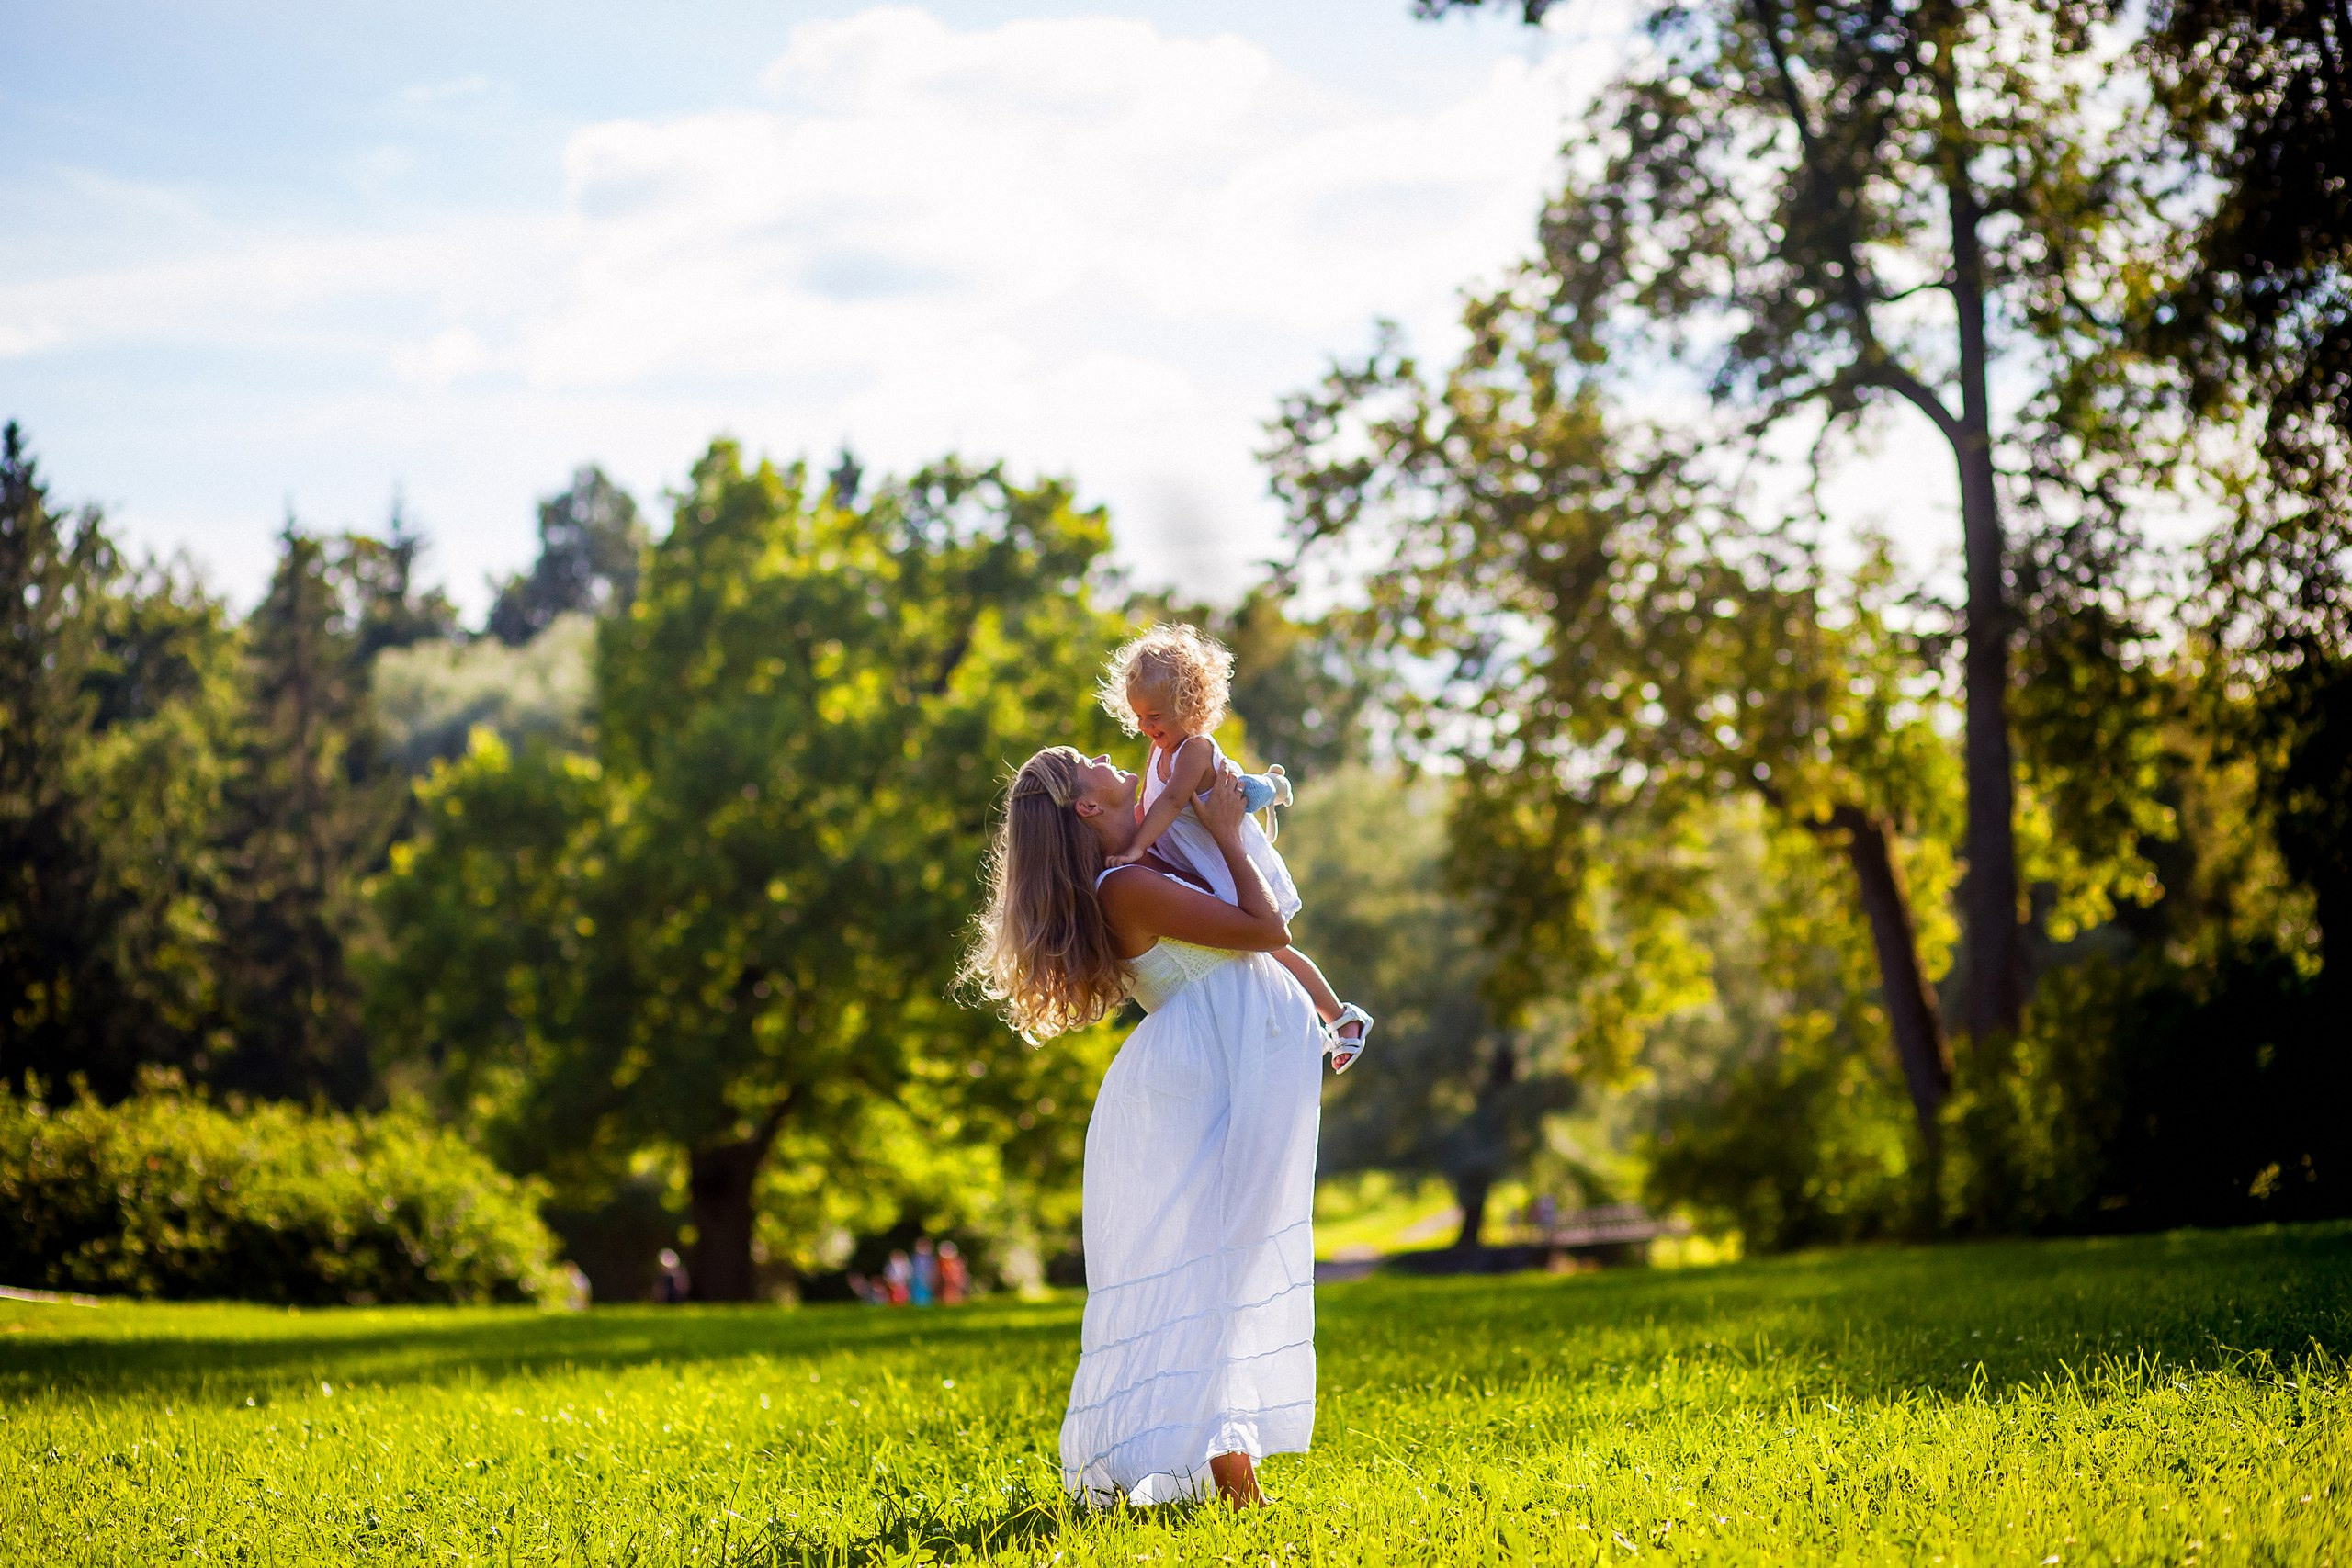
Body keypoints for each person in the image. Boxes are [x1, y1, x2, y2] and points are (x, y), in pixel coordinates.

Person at [962, 745, 1324, 1508]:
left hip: (1230, 1056)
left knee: (1231, 1257)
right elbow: (1265, 930)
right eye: (1087, 759)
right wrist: (1227, 830)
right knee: (1222, 1261)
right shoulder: (1124, 885)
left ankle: (1226, 1473)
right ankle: (1230, 1483)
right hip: (1211, 1067)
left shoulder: (1143, 857)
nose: (1106, 752)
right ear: (1086, 806)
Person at [1099, 626, 1372, 1071]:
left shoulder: (1195, 750)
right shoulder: (1158, 750)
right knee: (1249, 949)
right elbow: (1149, 803)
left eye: (1155, 718)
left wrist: (1133, 851)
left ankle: (1341, 1016)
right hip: (1193, 860)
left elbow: (1168, 802)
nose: (1146, 729)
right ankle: (1270, 785)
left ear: (1189, 705)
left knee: (1271, 946)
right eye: (1139, 718)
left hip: (1219, 859)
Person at [937, 1239, 968, 1305]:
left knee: (955, 1292)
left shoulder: (956, 1261)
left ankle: (955, 1302)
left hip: (954, 1280)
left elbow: (959, 1272)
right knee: (948, 1292)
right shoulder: (942, 1261)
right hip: (947, 1281)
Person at [911, 1237, 939, 1306]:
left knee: (927, 1290)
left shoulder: (930, 1258)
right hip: (918, 1277)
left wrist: (933, 1276)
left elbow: (933, 1268)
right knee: (918, 1289)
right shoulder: (915, 1257)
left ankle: (926, 1303)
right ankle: (918, 1303)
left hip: (927, 1276)